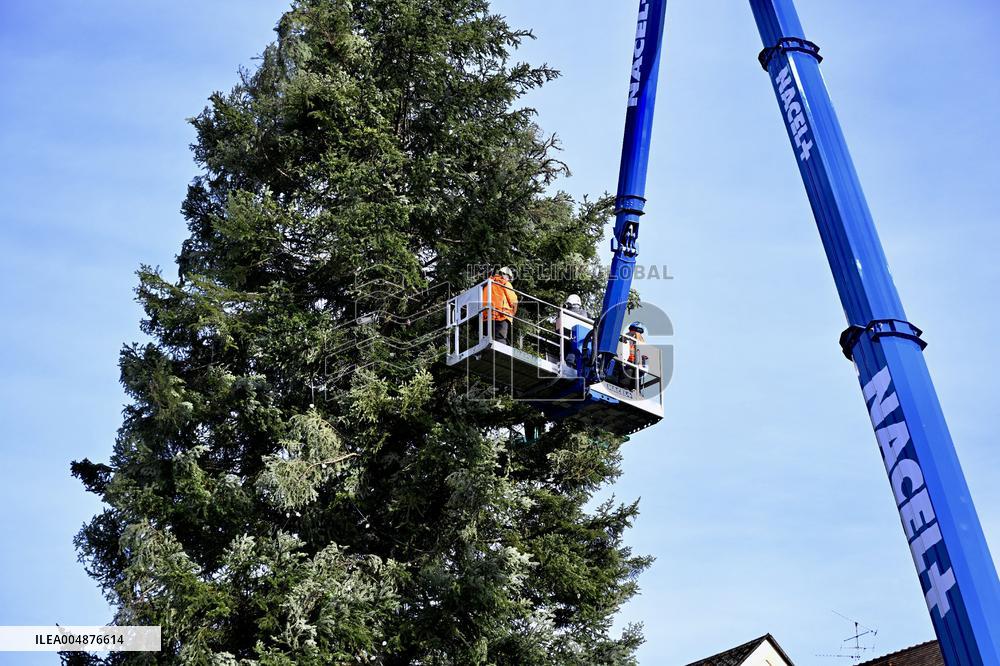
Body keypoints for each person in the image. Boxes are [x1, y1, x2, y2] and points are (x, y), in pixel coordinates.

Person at [482, 266, 518, 344]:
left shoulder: (487, 284)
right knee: (500, 341)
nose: (509, 280)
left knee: (487, 340)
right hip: (501, 315)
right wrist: (512, 314)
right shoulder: (504, 283)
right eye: (509, 278)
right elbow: (513, 301)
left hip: (486, 317)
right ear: (506, 275)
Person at [618, 321, 647, 388]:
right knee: (626, 378)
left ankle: (635, 389)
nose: (636, 333)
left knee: (636, 382)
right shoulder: (627, 337)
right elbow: (622, 340)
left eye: (639, 332)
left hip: (637, 365)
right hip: (627, 363)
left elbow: (643, 349)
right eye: (635, 330)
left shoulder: (640, 341)